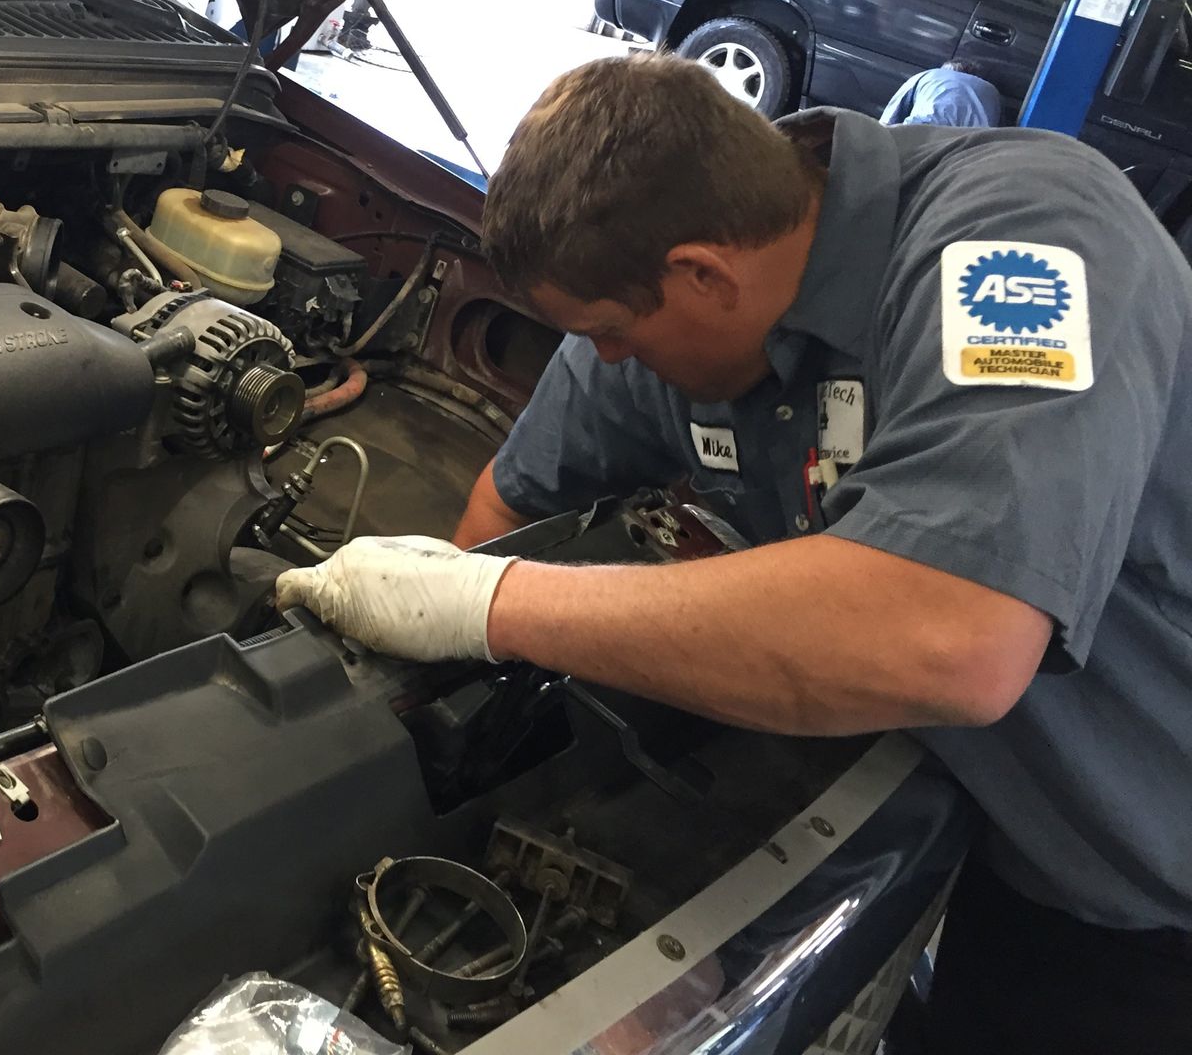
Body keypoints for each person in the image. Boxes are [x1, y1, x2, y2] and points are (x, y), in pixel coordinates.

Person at [277, 52, 1192, 1051]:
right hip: (1011, 842)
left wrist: (490, 608)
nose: (606, 358)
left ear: (703, 273)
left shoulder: (1025, 242)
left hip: (1156, 891)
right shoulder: (658, 288)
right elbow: (506, 507)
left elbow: (954, 634)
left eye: (613, 332)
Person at [879, 58, 1001, 127]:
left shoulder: (928, 75)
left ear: (943, 69)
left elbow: (887, 122)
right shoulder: (992, 92)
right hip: (971, 149)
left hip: (923, 129)